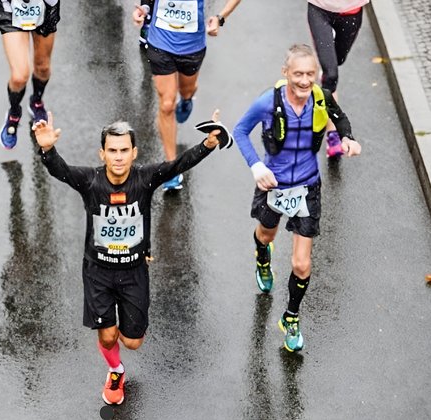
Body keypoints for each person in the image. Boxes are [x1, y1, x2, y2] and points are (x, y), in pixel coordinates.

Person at [33, 110, 229, 404]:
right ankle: (115, 370)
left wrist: (208, 145)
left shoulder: (145, 178)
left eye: (124, 150)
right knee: (108, 336)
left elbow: (178, 164)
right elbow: (61, 170)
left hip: (134, 271)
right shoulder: (90, 181)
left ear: (134, 152)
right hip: (97, 271)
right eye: (112, 150)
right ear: (102, 154)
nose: (119, 157)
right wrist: (47, 149)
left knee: (133, 341)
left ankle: (123, 348)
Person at [233, 44, 361, 352]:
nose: (305, 81)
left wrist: (347, 138)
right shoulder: (268, 102)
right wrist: (257, 166)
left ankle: (291, 316)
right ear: (286, 73)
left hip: (307, 187)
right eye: (298, 74)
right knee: (265, 235)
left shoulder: (321, 98)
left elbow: (340, 118)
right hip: (273, 186)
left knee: (302, 265)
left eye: (310, 74)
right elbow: (240, 131)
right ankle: (263, 258)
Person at [132, 0, 241, 190]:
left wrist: (221, 17)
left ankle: (188, 99)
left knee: (187, 90)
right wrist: (145, 8)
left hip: (192, 47)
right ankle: (171, 168)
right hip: (160, 43)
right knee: (166, 104)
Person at [307, 0, 369, 158]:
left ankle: (327, 72)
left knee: (338, 60)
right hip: (319, 9)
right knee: (331, 73)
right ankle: (332, 134)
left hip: (351, 11)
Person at [0, 0, 61, 150]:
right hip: (12, 5)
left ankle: (36, 103)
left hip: (45, 4)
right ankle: (14, 113)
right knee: (19, 76)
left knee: (43, 67)